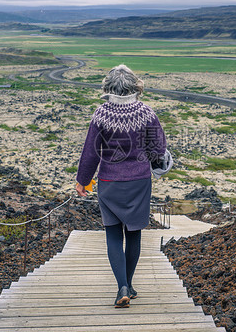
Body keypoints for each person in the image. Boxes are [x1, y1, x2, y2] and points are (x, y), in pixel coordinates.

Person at [75, 64, 168, 308]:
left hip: (109, 182)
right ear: (135, 86)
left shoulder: (101, 114)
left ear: (108, 87)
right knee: (134, 233)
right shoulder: (147, 113)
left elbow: (90, 153)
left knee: (113, 234)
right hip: (139, 181)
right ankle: (128, 283)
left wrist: (83, 180)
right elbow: (158, 150)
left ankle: (122, 287)